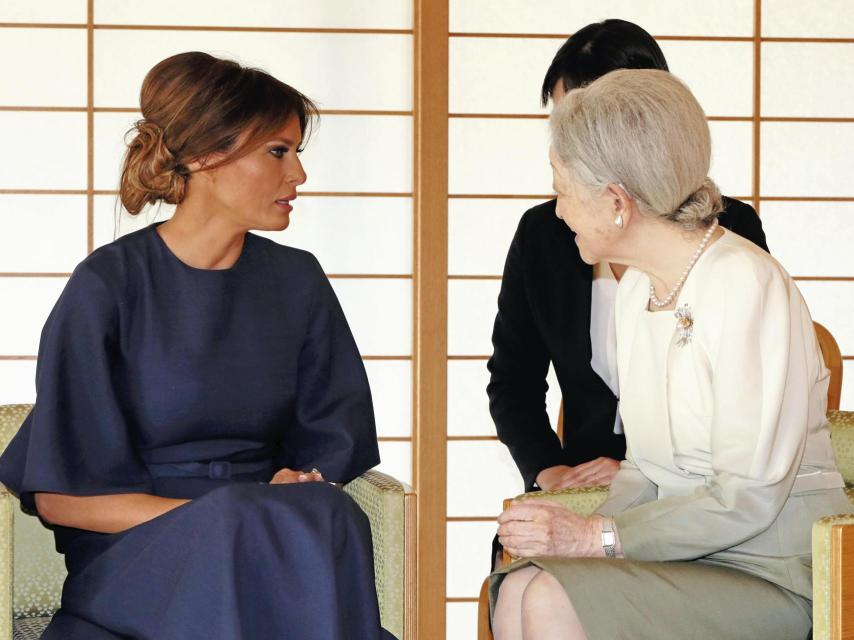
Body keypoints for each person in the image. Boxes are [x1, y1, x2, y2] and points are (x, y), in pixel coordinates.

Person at [0, 51, 395, 640]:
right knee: (244, 529)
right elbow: (63, 500)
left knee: (331, 512)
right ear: (209, 156)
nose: (299, 175)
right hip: (138, 555)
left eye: (297, 153)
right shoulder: (108, 285)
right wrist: (232, 517)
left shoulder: (298, 281)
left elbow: (326, 448)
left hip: (262, 537)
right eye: (278, 152)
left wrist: (295, 488)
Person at [489, 68, 851, 640]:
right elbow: (645, 470)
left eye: (563, 191)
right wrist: (580, 530)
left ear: (616, 201)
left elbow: (748, 498)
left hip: (774, 569)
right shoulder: (639, 287)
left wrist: (597, 539)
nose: (557, 212)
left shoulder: (745, 284)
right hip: (682, 557)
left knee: (551, 600)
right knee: (520, 587)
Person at [488, 19, 769, 499]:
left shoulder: (726, 234)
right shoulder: (545, 232)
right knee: (519, 541)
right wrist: (548, 471)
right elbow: (513, 379)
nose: (568, 141)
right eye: (561, 120)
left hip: (699, 489)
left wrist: (640, 474)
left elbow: (746, 407)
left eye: (585, 118)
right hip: (579, 480)